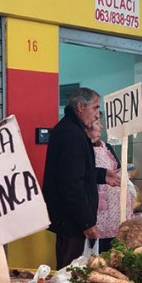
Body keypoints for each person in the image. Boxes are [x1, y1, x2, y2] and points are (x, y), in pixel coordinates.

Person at [42, 87, 120, 269]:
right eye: (94, 108)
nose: (97, 115)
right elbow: (71, 184)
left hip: (70, 219)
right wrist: (87, 222)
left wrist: (102, 174)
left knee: (73, 270)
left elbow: (77, 171)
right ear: (80, 106)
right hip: (71, 221)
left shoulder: (71, 130)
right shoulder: (72, 134)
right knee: (69, 273)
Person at [86, 118, 136, 252]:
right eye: (97, 123)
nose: (101, 127)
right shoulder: (83, 148)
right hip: (98, 207)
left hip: (116, 206)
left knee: (118, 245)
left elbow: (118, 169)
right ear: (87, 128)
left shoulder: (106, 146)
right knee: (98, 249)